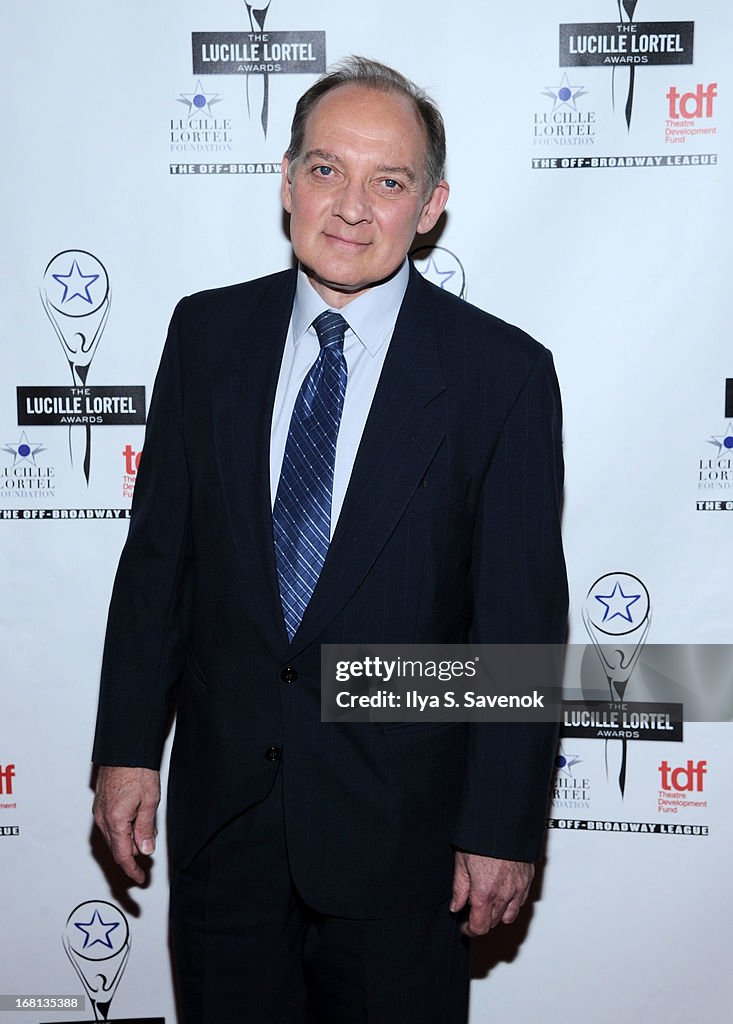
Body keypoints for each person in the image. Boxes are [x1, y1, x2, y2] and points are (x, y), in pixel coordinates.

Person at [92, 57, 568, 1024]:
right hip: (227, 836)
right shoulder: (205, 336)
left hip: (407, 850)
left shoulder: (500, 375)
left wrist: (501, 828)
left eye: (387, 181)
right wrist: (127, 750)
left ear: (430, 205)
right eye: (324, 170)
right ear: (285, 179)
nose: (350, 207)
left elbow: (517, 626)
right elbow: (157, 570)